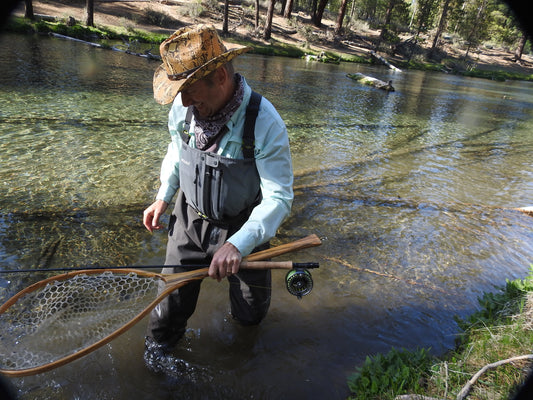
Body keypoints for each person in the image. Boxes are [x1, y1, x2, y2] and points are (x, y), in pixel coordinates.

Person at [143, 24, 294, 356]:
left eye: (190, 90)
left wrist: (238, 244)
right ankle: (157, 369)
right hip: (187, 221)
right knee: (165, 316)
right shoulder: (184, 108)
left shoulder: (266, 124)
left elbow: (279, 197)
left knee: (250, 317)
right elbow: (176, 150)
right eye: (178, 91)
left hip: (245, 228)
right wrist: (163, 196)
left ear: (221, 78)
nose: (182, 100)